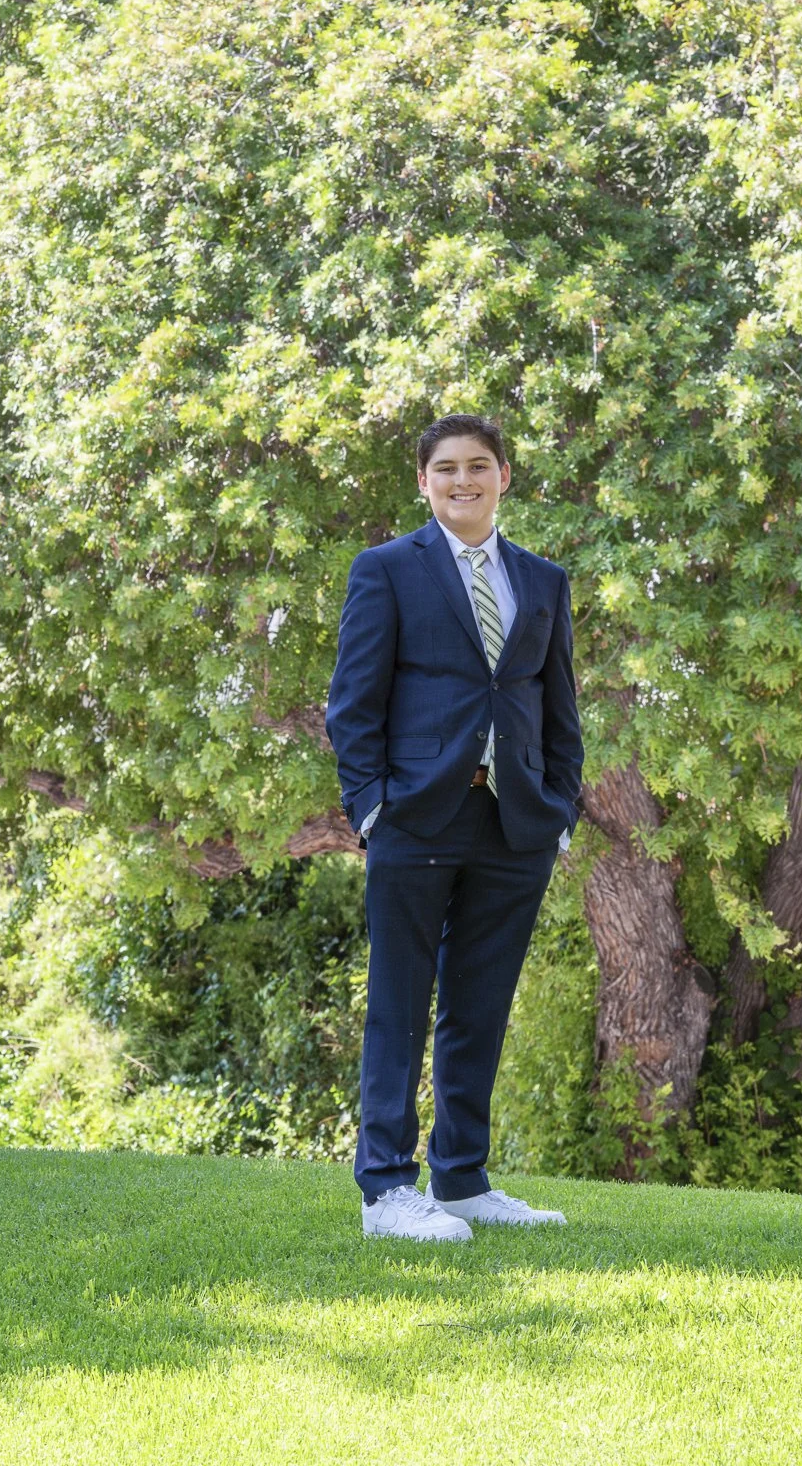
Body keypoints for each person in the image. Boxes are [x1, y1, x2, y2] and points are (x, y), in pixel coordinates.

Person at [326, 414, 584, 1240]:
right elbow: (351, 703)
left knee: (479, 1006)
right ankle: (385, 1191)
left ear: (503, 476)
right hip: (415, 815)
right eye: (445, 468)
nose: (462, 480)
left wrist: (560, 809)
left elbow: (557, 705)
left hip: (516, 823)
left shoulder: (542, 580)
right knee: (398, 1005)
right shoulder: (385, 570)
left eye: (478, 465)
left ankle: (463, 1181)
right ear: (423, 481)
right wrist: (371, 806)